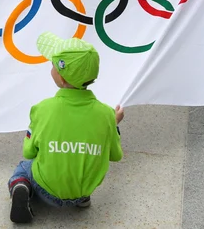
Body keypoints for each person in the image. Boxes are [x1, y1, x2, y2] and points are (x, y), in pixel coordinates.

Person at [7, 32, 123, 224]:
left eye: (52, 64)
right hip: (83, 191)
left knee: (23, 168)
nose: (50, 67)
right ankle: (82, 199)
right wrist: (114, 124)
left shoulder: (42, 109)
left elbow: (28, 151)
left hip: (46, 191)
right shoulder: (107, 114)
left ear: (60, 77)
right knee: (85, 159)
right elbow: (116, 155)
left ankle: (22, 188)